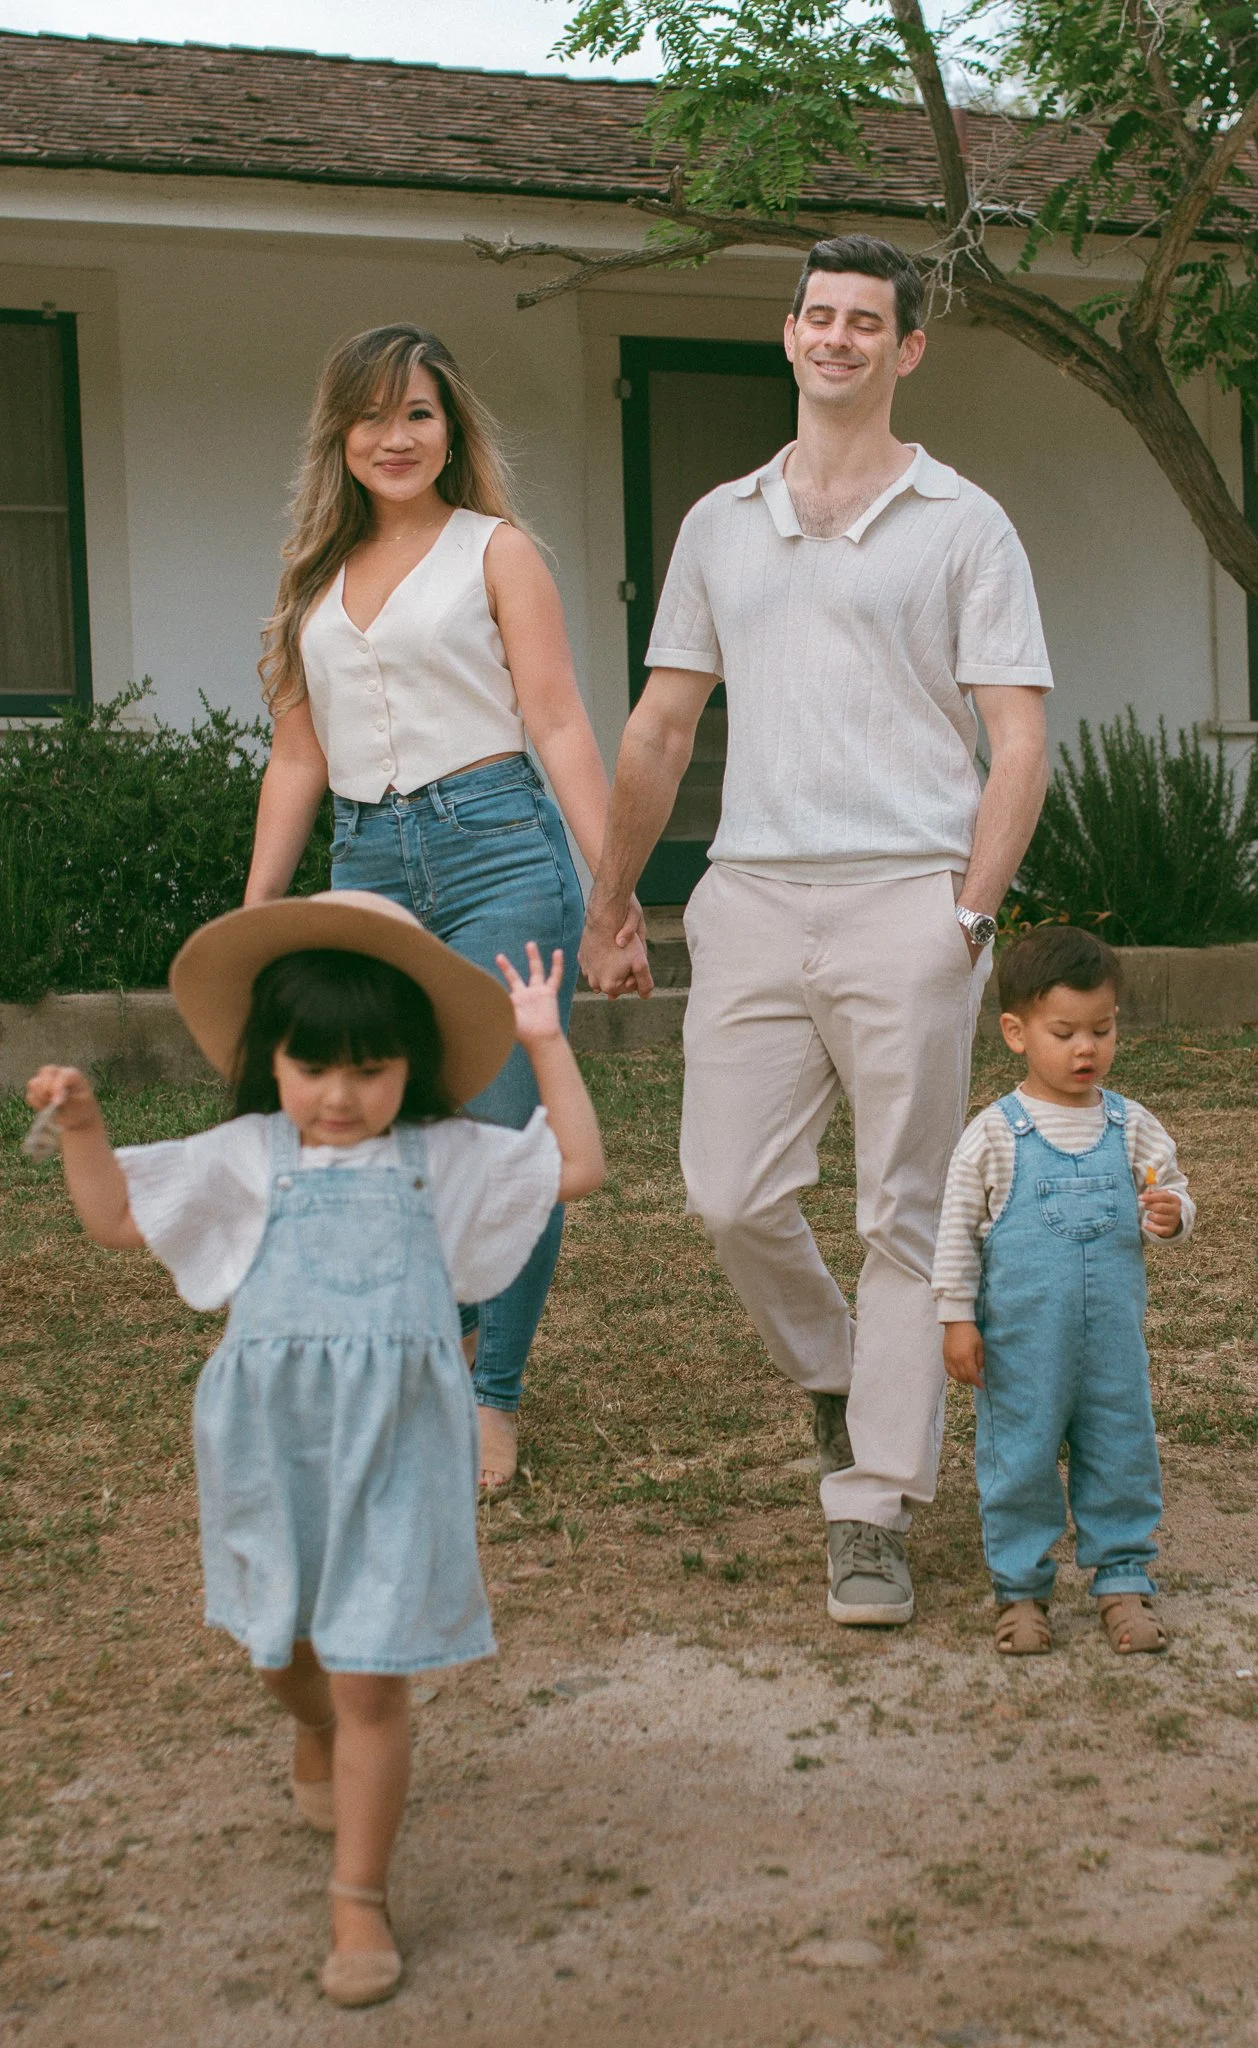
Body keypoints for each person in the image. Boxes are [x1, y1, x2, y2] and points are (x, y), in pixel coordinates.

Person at [580, 233, 1052, 1627]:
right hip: (748, 900)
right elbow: (663, 725)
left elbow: (1015, 740)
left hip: (908, 897)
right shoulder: (722, 523)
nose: (838, 339)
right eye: (818, 317)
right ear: (786, 338)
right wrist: (616, 898)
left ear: (906, 352)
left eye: (867, 323)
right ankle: (849, 1376)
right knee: (728, 1192)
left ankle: (872, 1510)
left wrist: (966, 913)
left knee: (903, 1214)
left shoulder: (965, 523)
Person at [24, 890, 605, 2008]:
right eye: (313, 1066)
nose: (340, 1095)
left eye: (372, 1069)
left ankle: (359, 1897)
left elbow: (574, 1165)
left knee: (374, 1675)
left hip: (399, 1447)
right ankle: (312, 1725)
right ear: (271, 1062)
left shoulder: (445, 1157)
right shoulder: (248, 1155)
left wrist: (544, 1038)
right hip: (269, 1445)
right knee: (282, 1651)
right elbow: (114, 1220)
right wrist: (86, 1126)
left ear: (412, 1067)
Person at [245, 322, 638, 1491]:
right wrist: (257, 913)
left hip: (500, 851)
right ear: (341, 434)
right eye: (372, 415)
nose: (395, 435)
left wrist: (611, 895)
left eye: (418, 412)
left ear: (450, 426)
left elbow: (560, 719)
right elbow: (296, 759)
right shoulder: (310, 577)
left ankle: (492, 1395)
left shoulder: (497, 551)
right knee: (389, 1131)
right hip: (367, 863)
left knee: (505, 1133)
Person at [933, 925, 1192, 1657]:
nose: (1087, 1049)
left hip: (1111, 1345)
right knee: (1020, 1461)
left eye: (1102, 1031)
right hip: (1020, 1349)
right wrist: (957, 1319)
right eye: (1065, 1032)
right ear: (1016, 1032)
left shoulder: (1129, 1126)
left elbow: (1167, 1190)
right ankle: (1020, 1591)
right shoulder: (993, 1136)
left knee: (1121, 1453)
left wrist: (1174, 1215)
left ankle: (1122, 1577)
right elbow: (955, 1231)